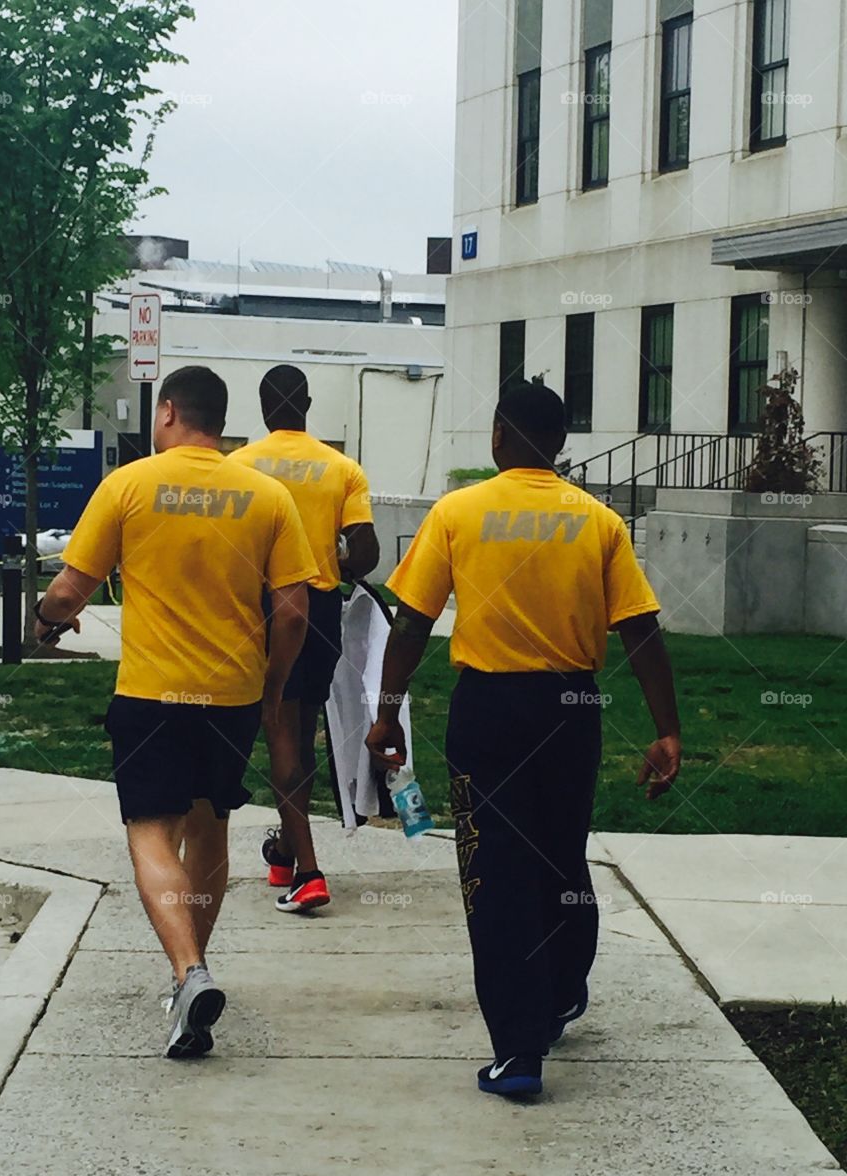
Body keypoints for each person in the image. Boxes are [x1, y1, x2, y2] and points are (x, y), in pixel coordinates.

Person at [366, 381, 681, 1098]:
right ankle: (562, 991)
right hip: (573, 708)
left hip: (490, 710)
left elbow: (411, 623)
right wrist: (667, 729)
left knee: (496, 869)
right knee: (561, 856)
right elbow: (641, 629)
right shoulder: (598, 521)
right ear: (561, 443)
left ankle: (518, 1050)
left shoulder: (458, 512)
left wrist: (386, 714)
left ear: (499, 436)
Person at [34, 366, 317, 1058]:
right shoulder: (268, 496)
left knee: (151, 831)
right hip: (232, 698)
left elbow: (69, 591)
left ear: (167, 413)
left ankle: (190, 972)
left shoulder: (128, 485)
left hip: (151, 694)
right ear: (219, 420)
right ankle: (190, 975)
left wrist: (45, 621)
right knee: (210, 826)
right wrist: (273, 685)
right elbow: (293, 612)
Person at [235, 365, 379, 913]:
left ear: (263, 407)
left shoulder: (240, 465)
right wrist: (330, 556)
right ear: (308, 405)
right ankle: (286, 852)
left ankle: (310, 873)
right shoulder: (342, 469)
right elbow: (365, 554)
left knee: (279, 733)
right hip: (318, 607)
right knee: (302, 730)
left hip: (262, 606)